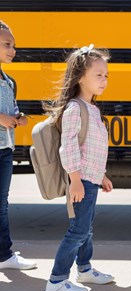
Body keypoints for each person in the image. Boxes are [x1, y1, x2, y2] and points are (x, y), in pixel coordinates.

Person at [43, 44, 114, 291]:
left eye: (106, 75)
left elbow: (91, 148)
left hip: (90, 179)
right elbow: (68, 146)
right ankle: (57, 280)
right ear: (80, 77)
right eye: (98, 75)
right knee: (78, 230)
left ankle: (84, 269)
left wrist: (101, 175)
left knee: (87, 228)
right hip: (80, 180)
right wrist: (75, 179)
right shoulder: (75, 108)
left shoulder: (92, 108)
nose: (104, 80)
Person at [0, 20, 37, 271]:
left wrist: (18, 117)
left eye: (14, 45)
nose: (13, 50)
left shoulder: (9, 81)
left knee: (2, 203)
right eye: (7, 44)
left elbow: (11, 110)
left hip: (4, 149)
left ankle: (4, 255)